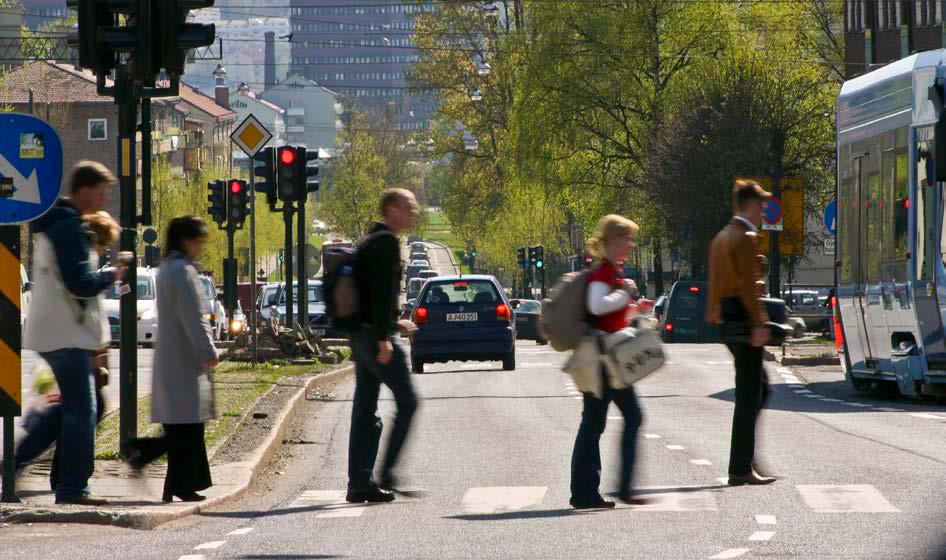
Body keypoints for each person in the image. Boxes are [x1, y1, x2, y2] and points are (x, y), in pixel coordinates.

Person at [20, 161, 123, 506]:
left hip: (59, 332)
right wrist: (112, 274)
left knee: (65, 412)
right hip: (67, 335)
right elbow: (80, 283)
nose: (104, 197)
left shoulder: (60, 225)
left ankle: (12, 464)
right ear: (85, 189)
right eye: (101, 190)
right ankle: (72, 487)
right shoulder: (70, 228)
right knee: (83, 409)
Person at [125, 217, 218, 502]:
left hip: (172, 356)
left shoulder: (167, 269)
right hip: (184, 359)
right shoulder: (183, 272)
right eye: (198, 240)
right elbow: (194, 318)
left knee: (182, 427)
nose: (201, 246)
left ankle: (173, 483)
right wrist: (209, 351)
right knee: (187, 429)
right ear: (186, 240)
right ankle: (145, 455)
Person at [346, 188, 420, 504]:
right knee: (408, 401)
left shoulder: (370, 241)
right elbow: (379, 292)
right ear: (391, 210)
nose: (413, 211)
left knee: (364, 409)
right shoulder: (387, 243)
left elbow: (372, 294)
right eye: (408, 206)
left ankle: (359, 483)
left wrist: (392, 323)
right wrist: (383, 337)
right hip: (374, 338)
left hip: (362, 334)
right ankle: (387, 471)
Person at [569, 214, 646, 510]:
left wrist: (634, 307)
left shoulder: (611, 271)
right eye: (627, 238)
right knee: (622, 418)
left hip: (609, 354)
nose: (631, 243)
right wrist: (623, 293)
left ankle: (585, 492)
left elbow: (612, 315)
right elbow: (596, 306)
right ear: (612, 240)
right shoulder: (603, 272)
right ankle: (612, 489)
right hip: (605, 358)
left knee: (593, 423)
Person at [706, 180, 776, 486]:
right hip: (744, 318)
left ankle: (745, 457)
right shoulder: (746, 237)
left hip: (727, 318)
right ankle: (741, 466)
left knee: (756, 386)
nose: (764, 211)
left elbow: (715, 281)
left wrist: (714, 313)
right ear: (749, 205)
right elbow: (749, 286)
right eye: (761, 206)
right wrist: (759, 323)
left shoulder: (722, 236)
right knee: (751, 394)